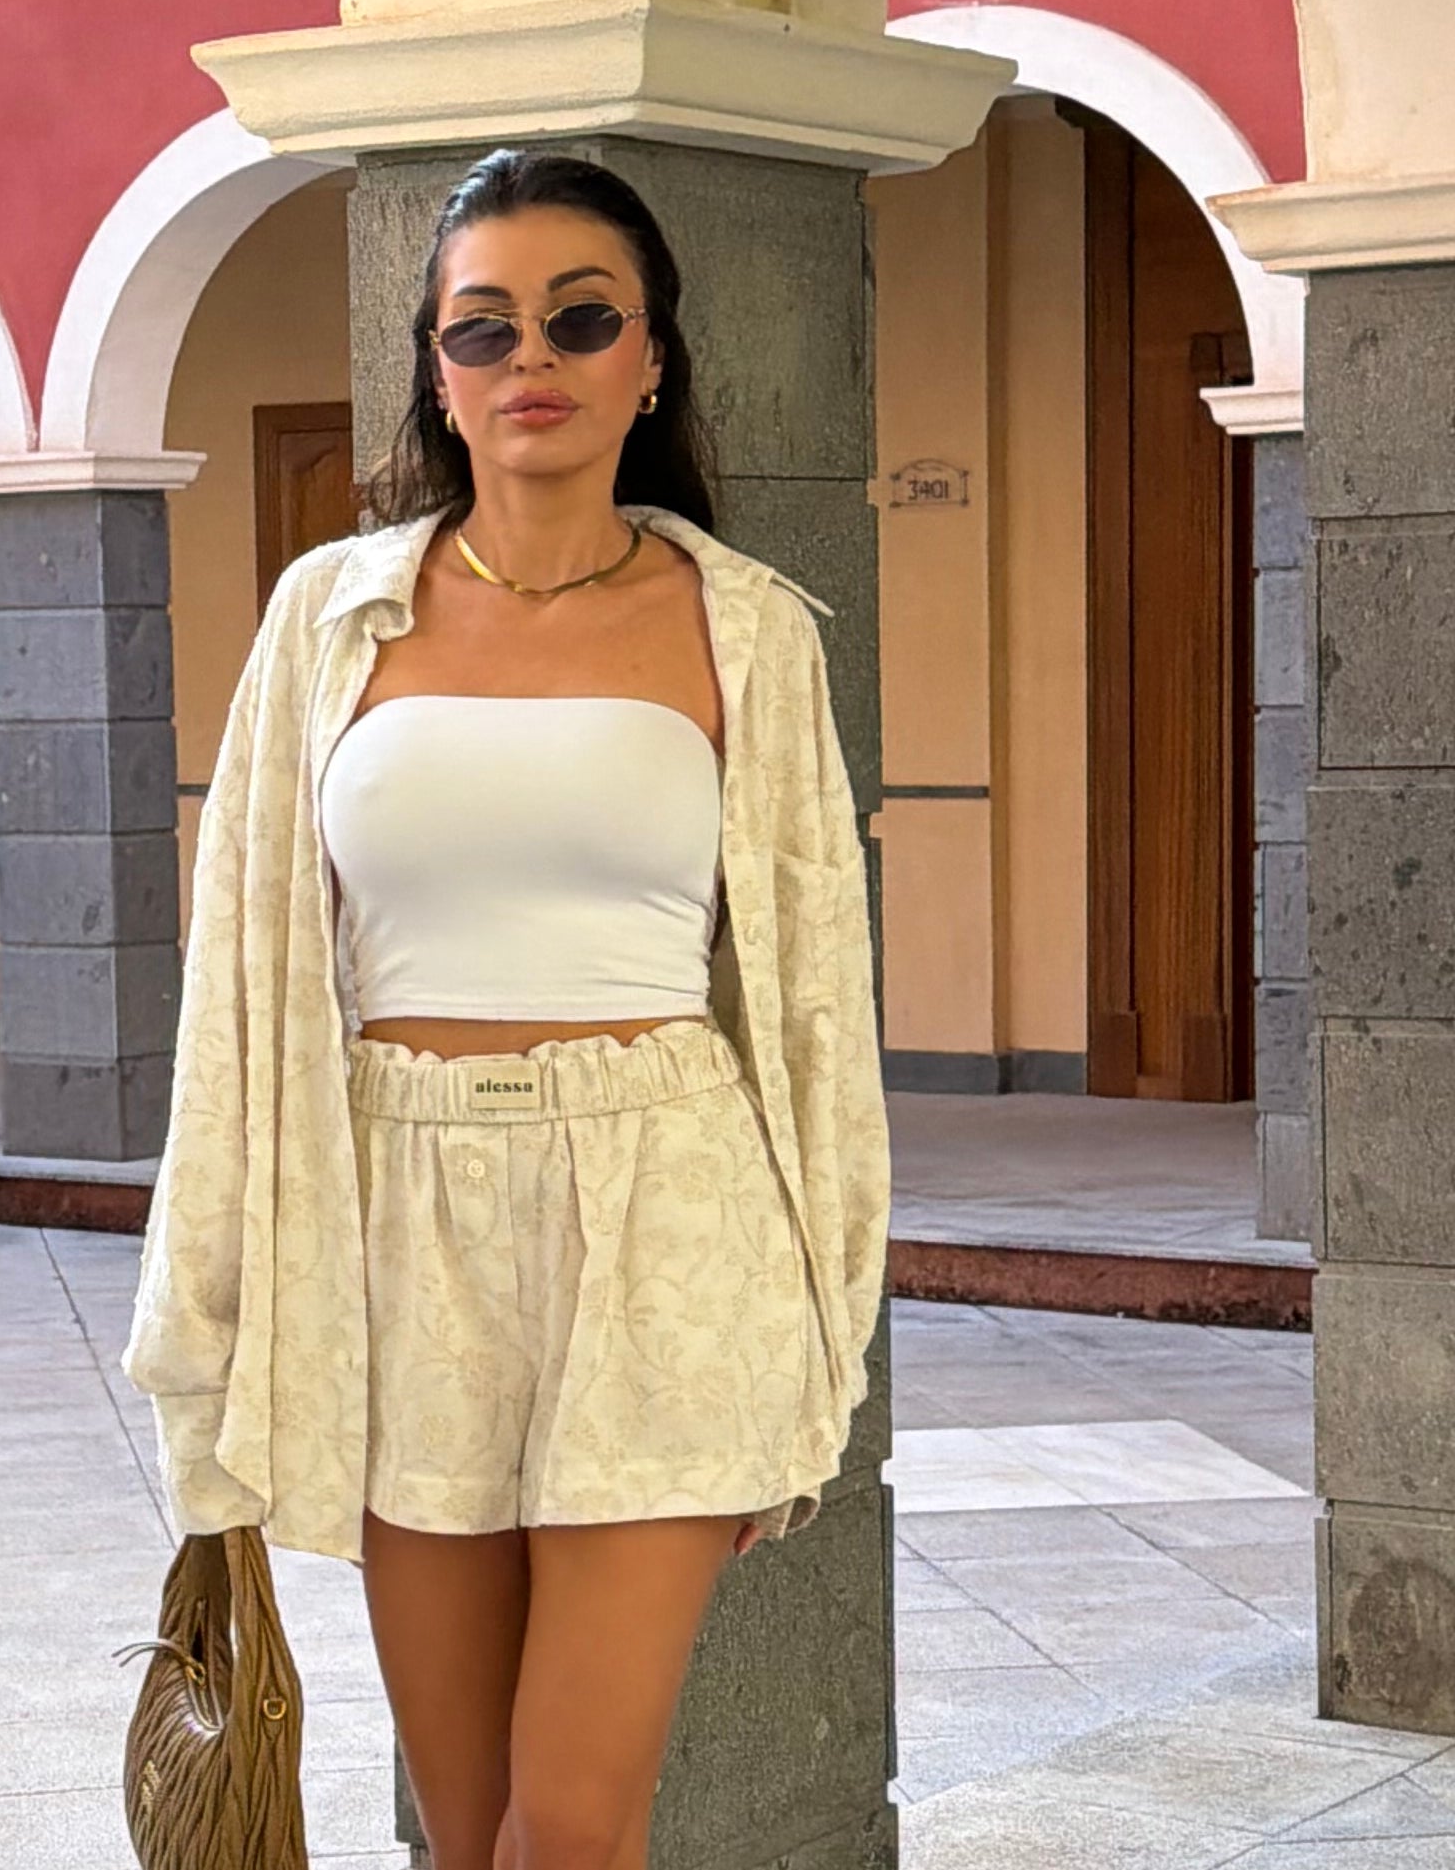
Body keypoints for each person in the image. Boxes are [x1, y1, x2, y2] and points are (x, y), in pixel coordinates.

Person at [124, 147, 888, 1870]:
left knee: (574, 1827)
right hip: (403, 1230)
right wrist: (217, 1305)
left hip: (665, 1222)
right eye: (483, 326)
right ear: (440, 373)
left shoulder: (748, 630)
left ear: (650, 357)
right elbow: (237, 978)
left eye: (579, 316)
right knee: (466, 1832)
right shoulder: (327, 620)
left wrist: (822, 1320)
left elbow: (816, 1010)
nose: (529, 354)